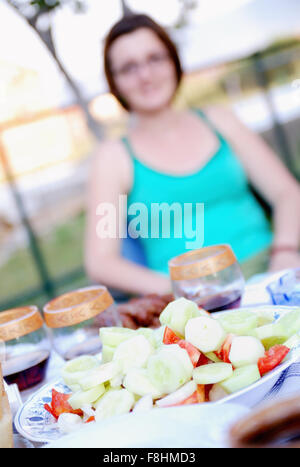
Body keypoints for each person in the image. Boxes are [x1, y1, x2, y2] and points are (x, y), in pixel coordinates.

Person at [85, 14, 300, 297]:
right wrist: (182, 291)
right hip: (193, 304)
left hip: (271, 276)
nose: (145, 75)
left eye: (155, 58)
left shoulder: (221, 120)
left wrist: (285, 251)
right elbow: (101, 262)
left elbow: (287, 193)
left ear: (173, 61)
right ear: (115, 83)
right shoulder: (112, 158)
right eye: (128, 68)